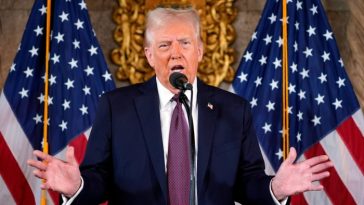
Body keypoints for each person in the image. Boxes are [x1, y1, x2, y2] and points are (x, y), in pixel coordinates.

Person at [28, 7, 333, 205]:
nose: (176, 53)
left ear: (199, 50)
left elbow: (248, 182)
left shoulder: (234, 109)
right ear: (149, 55)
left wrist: (276, 189)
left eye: (185, 43)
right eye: (164, 45)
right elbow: (99, 179)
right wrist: (76, 186)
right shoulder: (116, 107)